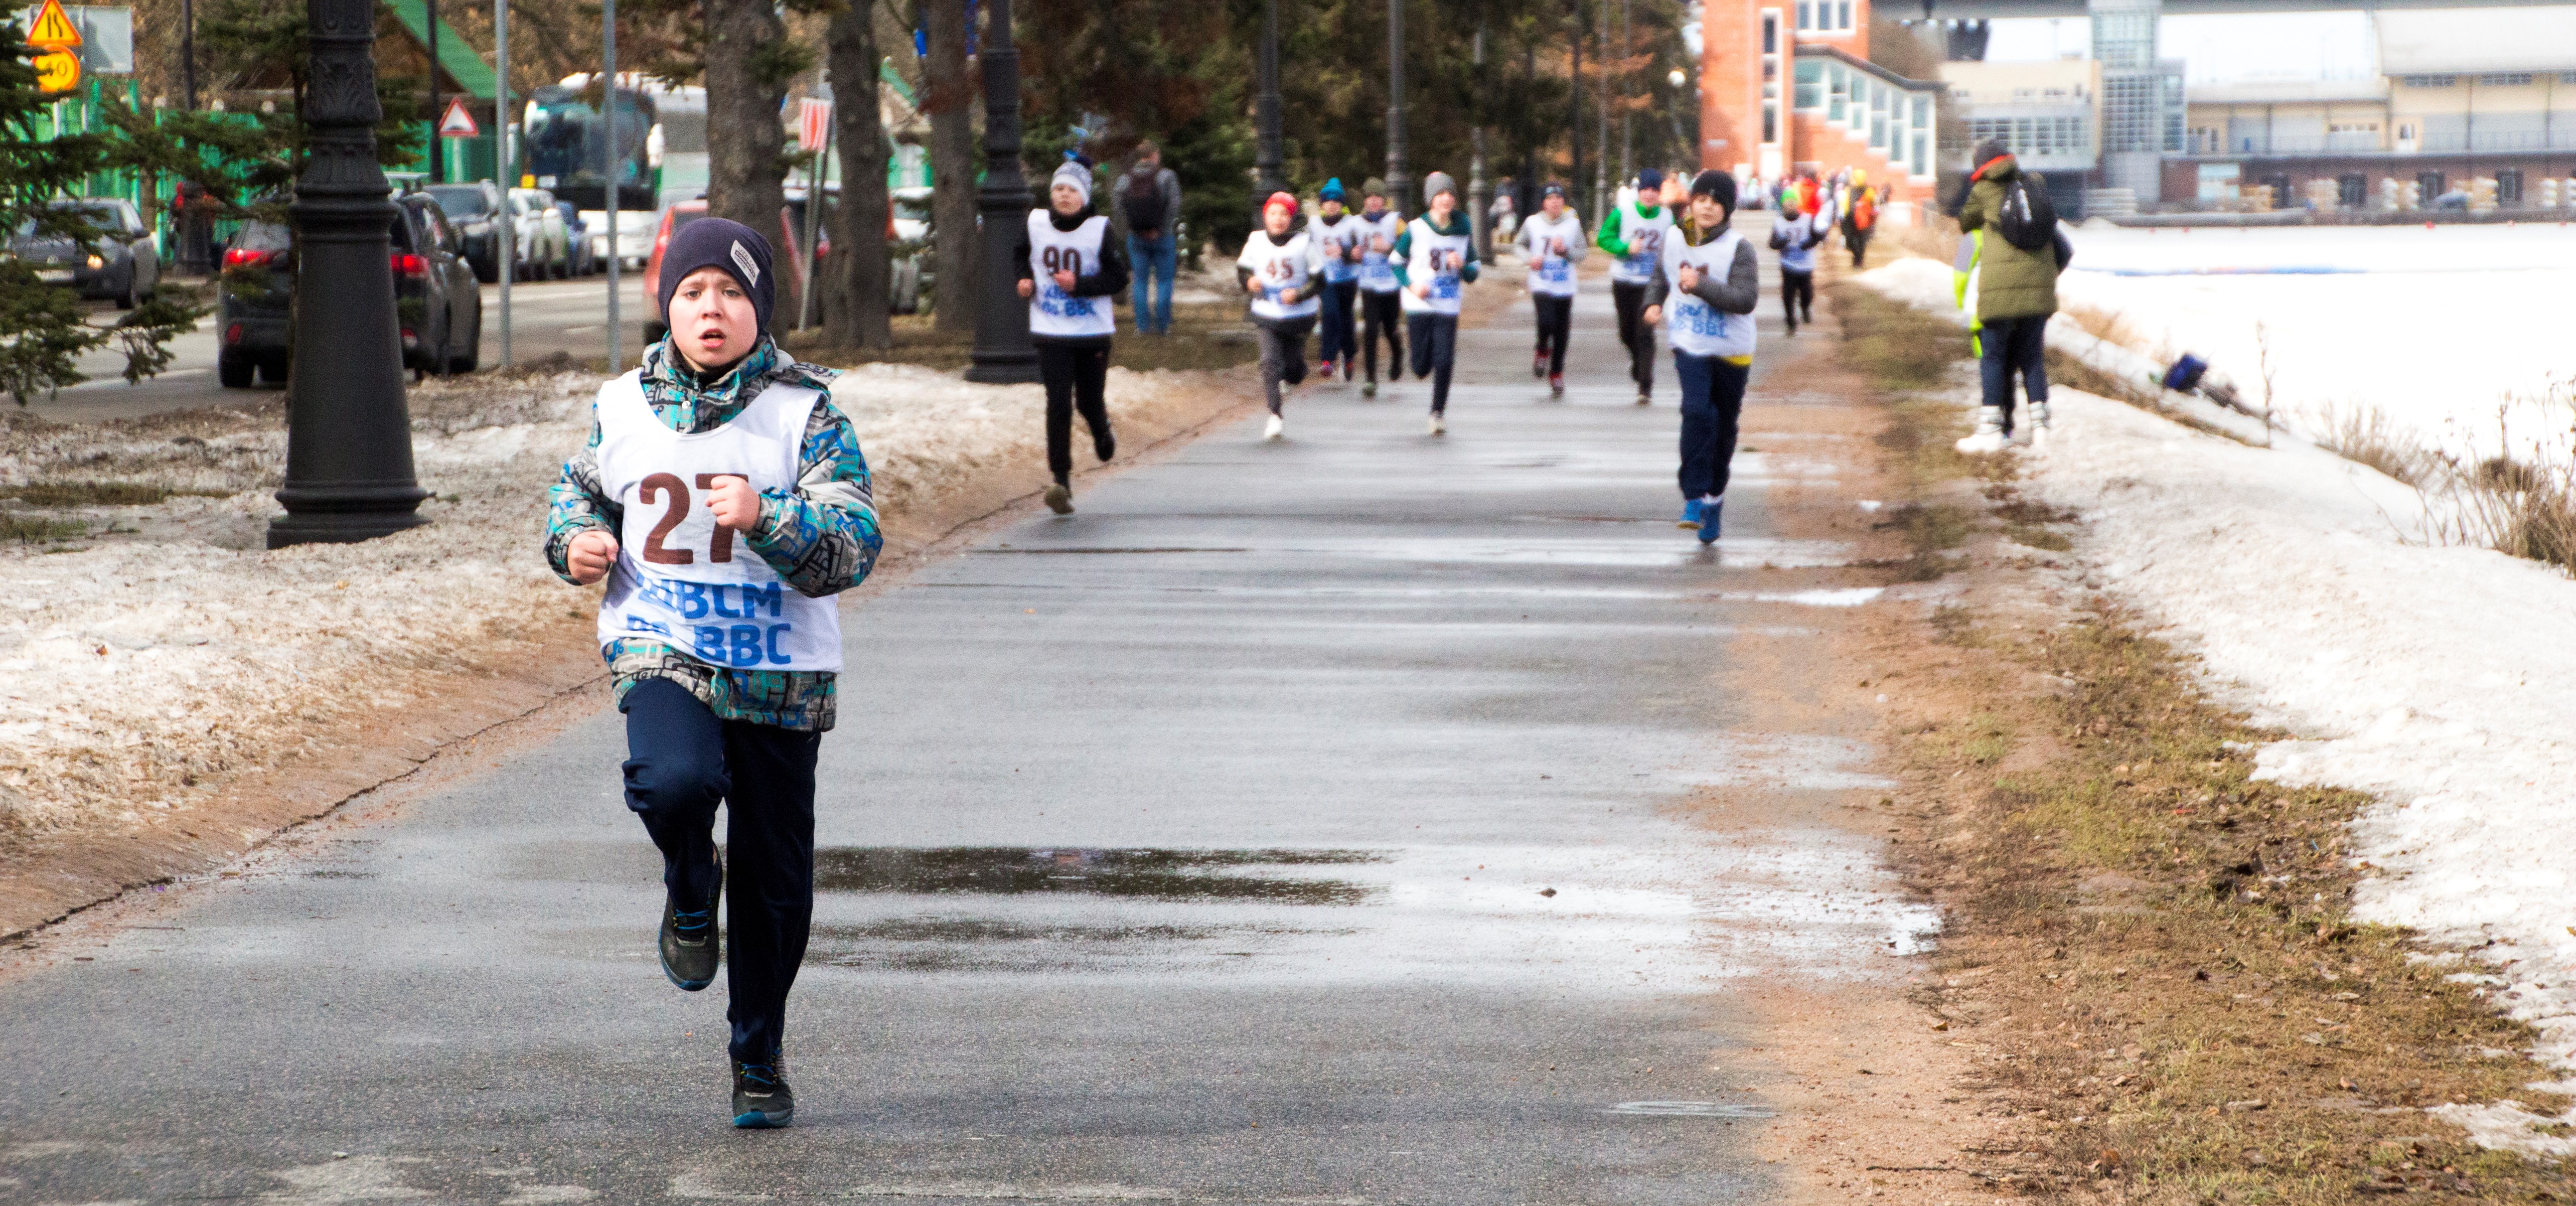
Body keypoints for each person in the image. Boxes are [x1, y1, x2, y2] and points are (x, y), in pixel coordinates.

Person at [545, 218, 881, 1130]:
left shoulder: (805, 412)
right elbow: (577, 488)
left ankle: (758, 1054)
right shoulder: (623, 405)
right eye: (692, 292)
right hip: (666, 645)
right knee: (671, 781)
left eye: (731, 294)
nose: (710, 309)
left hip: (780, 675)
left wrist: (768, 518)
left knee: (776, 885)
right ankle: (690, 883)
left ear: (759, 310)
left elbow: (853, 547)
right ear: (669, 306)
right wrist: (572, 542)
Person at [1641, 171, 1759, 545]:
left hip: (1731, 349)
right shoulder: (1675, 236)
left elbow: (1745, 300)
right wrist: (1653, 303)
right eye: (1701, 199)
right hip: (1689, 341)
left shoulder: (1740, 248)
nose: (1707, 207)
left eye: (1716, 202)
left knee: (1723, 429)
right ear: (1691, 201)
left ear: (1727, 209)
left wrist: (1701, 284)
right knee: (1696, 411)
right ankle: (1692, 497)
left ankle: (1714, 500)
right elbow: (1660, 276)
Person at [1015, 159, 1131, 514]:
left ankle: (1101, 430)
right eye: (1059, 190)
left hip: (1092, 331)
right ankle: (1060, 481)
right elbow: (1020, 255)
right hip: (1050, 329)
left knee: (1088, 402)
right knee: (1058, 402)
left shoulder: (1099, 229)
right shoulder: (1035, 223)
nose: (1064, 196)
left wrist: (1080, 285)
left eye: (1072, 191)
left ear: (1084, 196)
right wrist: (1024, 280)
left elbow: (1119, 278)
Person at [1950, 139, 2070, 452]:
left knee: (1993, 357)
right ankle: (2042, 429)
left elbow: (1965, 225)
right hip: (2040, 293)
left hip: (1997, 296)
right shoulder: (2035, 188)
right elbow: (2064, 249)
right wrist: (2041, 281)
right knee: (2031, 357)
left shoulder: (1982, 194)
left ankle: (1992, 430)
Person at [1392, 171, 1479, 435]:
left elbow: (1474, 272)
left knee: (1444, 359)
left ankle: (1438, 411)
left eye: (1451, 194)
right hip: (1419, 304)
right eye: (1440, 194)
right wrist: (1411, 285)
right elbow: (1396, 263)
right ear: (1431, 199)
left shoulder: (1463, 230)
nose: (1446, 199)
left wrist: (1462, 267)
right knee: (1420, 366)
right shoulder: (1416, 229)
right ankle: (1419, 361)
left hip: (1448, 305)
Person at [1236, 190, 1320, 440]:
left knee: (1293, 369)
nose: (1278, 219)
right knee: (1269, 363)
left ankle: (1295, 375)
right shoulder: (1256, 240)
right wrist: (1249, 281)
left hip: (1298, 315)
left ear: (1292, 219)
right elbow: (1242, 269)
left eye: (1284, 214)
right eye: (1273, 213)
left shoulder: (1304, 243)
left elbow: (1320, 281)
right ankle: (1275, 415)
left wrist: (1299, 294)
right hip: (1266, 313)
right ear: (1266, 217)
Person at [1595, 167, 1676, 406]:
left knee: (1646, 331)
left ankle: (1645, 384)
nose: (1650, 195)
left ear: (1660, 193)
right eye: (1646, 190)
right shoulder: (1623, 213)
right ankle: (1637, 362)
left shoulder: (1667, 218)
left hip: (1652, 283)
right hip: (1624, 279)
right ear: (1639, 192)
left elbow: (1674, 244)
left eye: (1654, 190)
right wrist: (1624, 247)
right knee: (1626, 332)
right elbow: (1603, 238)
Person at [1515, 182, 1587, 396]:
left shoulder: (1573, 224)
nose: (1555, 203)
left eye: (1559, 198)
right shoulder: (1533, 223)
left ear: (1564, 202)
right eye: (1550, 199)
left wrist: (1566, 251)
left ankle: (1556, 373)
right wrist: (1530, 259)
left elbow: (1582, 252)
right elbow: (1518, 245)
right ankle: (1542, 349)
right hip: (1541, 281)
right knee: (1546, 321)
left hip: (1565, 284)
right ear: (1543, 203)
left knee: (1562, 332)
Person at [1119, 143, 1183, 335]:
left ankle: (1142, 326)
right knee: (1164, 280)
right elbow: (1175, 204)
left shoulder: (1125, 179)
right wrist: (1162, 229)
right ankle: (1163, 326)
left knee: (1139, 281)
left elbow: (1118, 206)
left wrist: (1132, 229)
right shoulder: (1167, 176)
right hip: (1163, 237)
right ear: (1155, 155)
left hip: (1136, 237)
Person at [1353, 178, 1407, 398]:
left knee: (1390, 328)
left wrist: (1390, 248)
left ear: (1384, 200)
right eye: (1370, 198)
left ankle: (1397, 356)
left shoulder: (1395, 220)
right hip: (1368, 283)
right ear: (1365, 200)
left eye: (1378, 198)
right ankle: (1370, 378)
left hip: (1391, 284)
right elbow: (1348, 248)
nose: (1374, 202)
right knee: (1370, 330)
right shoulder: (1356, 222)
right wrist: (1352, 254)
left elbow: (1409, 246)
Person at [1309, 179, 1366, 381]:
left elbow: (1359, 251)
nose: (1332, 204)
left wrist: (1344, 252)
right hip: (1325, 278)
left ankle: (1349, 355)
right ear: (1322, 204)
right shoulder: (1313, 224)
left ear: (1342, 204)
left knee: (1345, 317)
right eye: (1328, 200)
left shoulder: (1351, 224)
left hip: (1347, 277)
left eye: (1336, 201)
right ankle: (1327, 359)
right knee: (1330, 313)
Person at [1768, 184, 1823, 335]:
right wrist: (1780, 244)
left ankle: (1805, 308)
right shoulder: (1779, 222)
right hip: (1788, 265)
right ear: (1783, 205)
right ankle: (1791, 322)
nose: (1790, 205)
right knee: (1788, 295)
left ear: (1797, 204)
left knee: (1807, 293)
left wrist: (1809, 244)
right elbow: (1771, 244)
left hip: (1805, 265)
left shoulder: (1807, 219)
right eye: (1787, 203)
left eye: (1793, 202)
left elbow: (1818, 236)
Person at [1840, 167, 1877, 268]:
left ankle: (1859, 262)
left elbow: (1873, 205)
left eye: (1855, 178)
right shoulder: (1849, 190)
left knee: (1862, 243)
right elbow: (1845, 204)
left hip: (1864, 221)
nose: (1853, 180)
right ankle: (1857, 257)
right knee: (1850, 242)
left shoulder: (1869, 191)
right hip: (1851, 220)